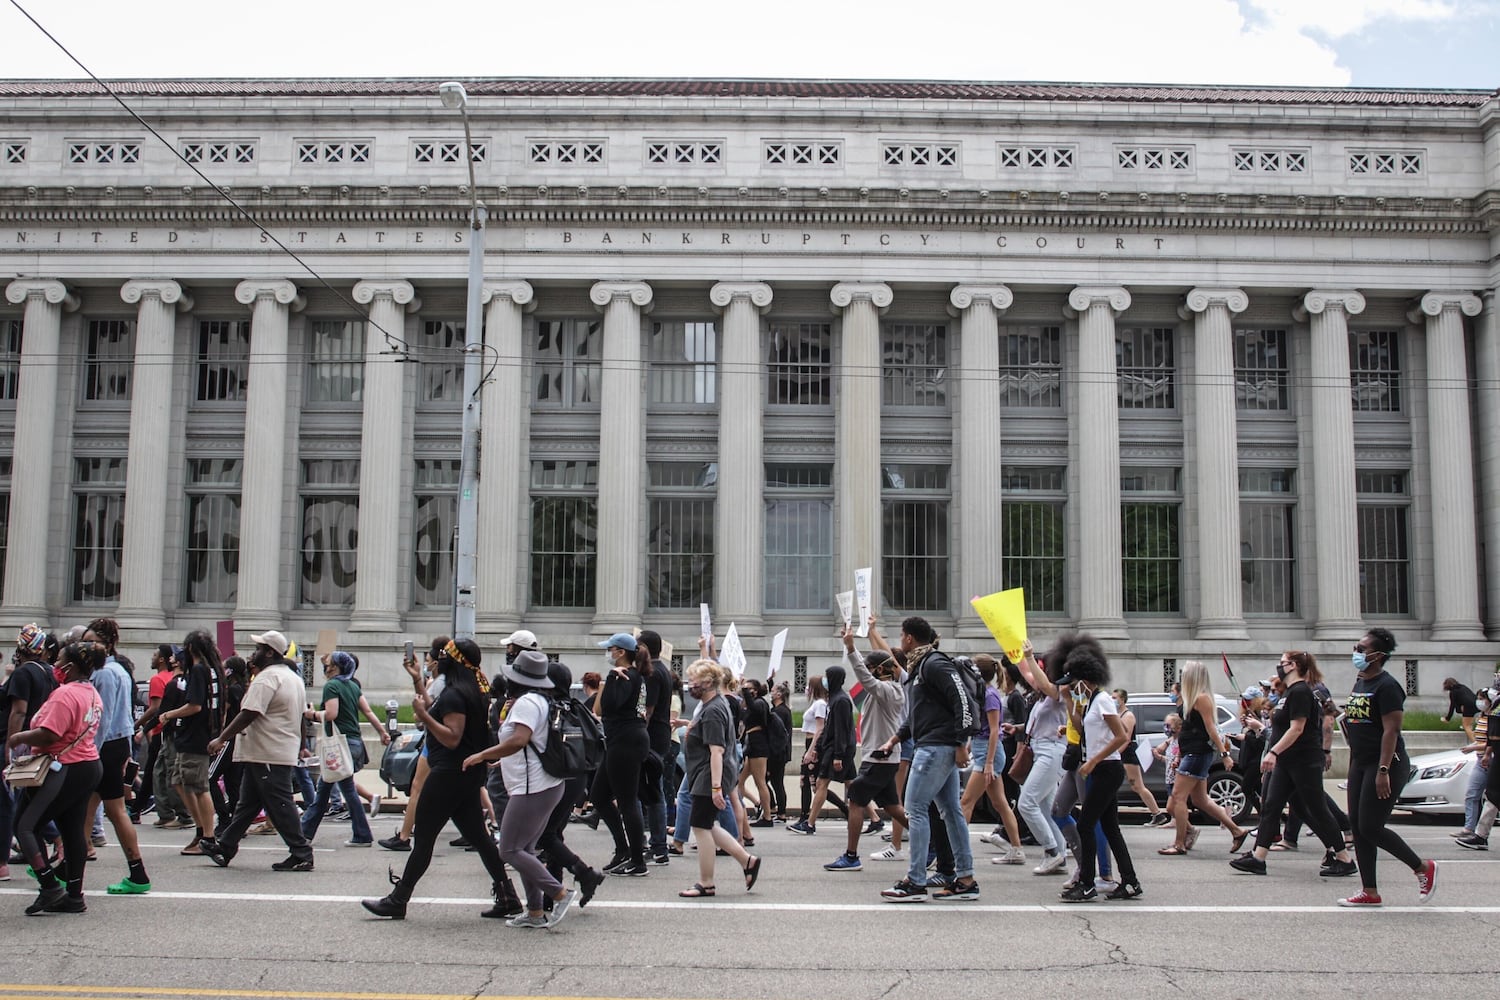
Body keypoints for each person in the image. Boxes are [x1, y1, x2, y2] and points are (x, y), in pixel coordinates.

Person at [360, 638, 521, 919]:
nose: (438, 660)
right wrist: (417, 683)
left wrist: (423, 715)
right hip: (465, 775)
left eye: (444, 656)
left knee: (423, 837)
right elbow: (437, 709)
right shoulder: (471, 689)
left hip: (448, 774)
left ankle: (399, 899)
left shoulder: (456, 693)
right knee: (480, 838)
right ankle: (508, 897)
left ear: (454, 661)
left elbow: (451, 737)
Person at [462, 650, 580, 929]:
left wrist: (483, 755)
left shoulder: (527, 703)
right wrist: (500, 761)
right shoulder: (540, 700)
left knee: (510, 849)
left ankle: (560, 893)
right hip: (544, 785)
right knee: (525, 848)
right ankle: (535, 912)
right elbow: (527, 745)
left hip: (532, 788)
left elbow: (519, 740)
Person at [878, 616, 978, 903]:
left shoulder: (934, 663)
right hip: (934, 744)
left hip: (937, 747)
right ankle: (965, 879)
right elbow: (920, 713)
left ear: (909, 638)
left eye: (901, 636)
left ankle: (916, 881)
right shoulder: (922, 667)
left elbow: (962, 700)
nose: (900, 640)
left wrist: (961, 741)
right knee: (951, 810)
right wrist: (895, 739)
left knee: (916, 808)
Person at [1232, 651, 1356, 879]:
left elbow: (1297, 728)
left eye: (1284, 663)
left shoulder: (1301, 692)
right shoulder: (1289, 693)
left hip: (1303, 761)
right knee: (1270, 806)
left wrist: (1273, 752)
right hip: (1286, 762)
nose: (1280, 666)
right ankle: (1258, 858)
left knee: (1317, 808)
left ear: (1295, 665)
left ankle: (1343, 857)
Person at [1337, 628, 1437, 907]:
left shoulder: (1388, 686)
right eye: (1356, 647)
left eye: (1361, 648)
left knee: (1370, 826)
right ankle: (1369, 891)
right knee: (1358, 827)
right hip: (1361, 761)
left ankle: (1422, 868)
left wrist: (1382, 771)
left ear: (1378, 655)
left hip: (1386, 764)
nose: (1356, 652)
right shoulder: (1361, 680)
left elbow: (1391, 731)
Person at [201, 631, 315, 872]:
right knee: (247, 805)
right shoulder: (293, 678)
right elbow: (301, 717)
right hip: (273, 751)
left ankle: (301, 852)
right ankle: (226, 846)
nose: (254, 653)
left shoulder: (267, 678)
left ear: (270, 652)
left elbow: (249, 712)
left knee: (281, 804)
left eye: (259, 648)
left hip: (267, 752)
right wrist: (302, 745)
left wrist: (222, 738)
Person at [7, 640, 104, 915]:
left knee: (24, 826)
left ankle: (49, 885)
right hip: (87, 765)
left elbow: (50, 734)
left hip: (63, 767)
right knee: (72, 829)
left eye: (59, 660)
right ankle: (74, 894)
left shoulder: (65, 694)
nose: (55, 665)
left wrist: (18, 737)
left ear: (70, 666)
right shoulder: (91, 692)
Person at [1057, 641, 1142, 902]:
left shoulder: (1103, 700)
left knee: (1085, 824)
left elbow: (1121, 736)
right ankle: (1129, 881)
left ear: (1086, 679)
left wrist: (1094, 760)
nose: (1072, 685)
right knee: (1111, 828)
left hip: (1107, 769)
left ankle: (1088, 883)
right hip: (1101, 768)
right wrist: (1069, 700)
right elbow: (1081, 729)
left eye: (1074, 682)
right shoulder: (1091, 700)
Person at [824, 623, 908, 872]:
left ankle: (851, 856)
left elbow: (865, 678)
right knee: (893, 807)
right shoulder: (881, 690)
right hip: (880, 756)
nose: (869, 673)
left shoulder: (889, 690)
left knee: (856, 800)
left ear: (881, 671)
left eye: (872, 669)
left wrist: (851, 649)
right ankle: (934, 841)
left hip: (880, 757)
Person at [676, 658, 761, 898]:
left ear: (707, 682)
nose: (690, 685)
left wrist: (715, 788)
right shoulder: (715, 703)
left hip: (708, 775)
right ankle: (747, 861)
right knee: (708, 825)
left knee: (700, 827)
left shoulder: (713, 709)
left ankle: (706, 882)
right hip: (707, 774)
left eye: (693, 680)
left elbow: (717, 750)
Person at [81, 619, 152, 894]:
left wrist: (91, 751)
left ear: (106, 643)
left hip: (106, 746)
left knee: (112, 809)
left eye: (91, 642)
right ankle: (71, 863)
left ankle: (137, 872)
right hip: (115, 744)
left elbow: (103, 716)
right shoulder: (117, 669)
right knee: (89, 807)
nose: (86, 647)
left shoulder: (106, 673)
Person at [1158, 660, 1251, 856]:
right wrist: (1179, 755)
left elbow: (1211, 729)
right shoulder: (1191, 699)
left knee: (1177, 798)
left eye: (1186, 674)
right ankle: (1236, 831)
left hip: (1198, 754)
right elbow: (1189, 730)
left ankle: (1179, 842)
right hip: (1191, 753)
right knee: (1200, 800)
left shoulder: (1201, 698)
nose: (1182, 677)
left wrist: (1225, 754)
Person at [300, 650, 388, 847]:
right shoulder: (352, 686)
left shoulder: (332, 686)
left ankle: (304, 834)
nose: (326, 666)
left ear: (335, 667)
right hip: (354, 742)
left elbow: (331, 714)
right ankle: (306, 833)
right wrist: (382, 732)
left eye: (329, 663)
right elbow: (368, 711)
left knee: (330, 791)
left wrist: (311, 714)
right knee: (333, 790)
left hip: (340, 745)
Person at [379, 637, 450, 852]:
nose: (426, 663)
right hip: (438, 742)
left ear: (436, 661)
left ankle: (404, 836)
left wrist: (420, 687)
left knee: (418, 788)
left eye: (428, 659)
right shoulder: (443, 682)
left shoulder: (439, 684)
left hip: (435, 742)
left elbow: (425, 714)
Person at [591, 632, 653, 877]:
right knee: (598, 796)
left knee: (627, 801)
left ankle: (638, 860)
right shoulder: (629, 675)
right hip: (622, 740)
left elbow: (609, 706)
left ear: (621, 652)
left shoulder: (626, 676)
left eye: (611, 649)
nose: (609, 653)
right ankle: (623, 849)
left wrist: (610, 680)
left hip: (626, 740)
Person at [2, 624, 59, 883]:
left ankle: (49, 847)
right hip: (42, 739)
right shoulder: (50, 672)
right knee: (28, 800)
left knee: (13, 804)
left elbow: (18, 711)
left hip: (24, 740)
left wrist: (10, 745)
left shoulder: (23, 673)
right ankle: (53, 841)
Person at [1012, 636, 1073, 876]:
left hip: (1051, 750)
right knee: (1046, 808)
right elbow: (1030, 676)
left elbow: (1043, 683)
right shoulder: (1043, 694)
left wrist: (1027, 657)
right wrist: (1019, 656)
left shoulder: (1060, 689)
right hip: (1042, 750)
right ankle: (1059, 853)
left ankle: (1052, 852)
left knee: (1027, 803)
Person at [161, 630, 226, 853]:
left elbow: (195, 705)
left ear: (190, 649)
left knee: (199, 787)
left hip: (195, 736)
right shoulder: (213, 669)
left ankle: (207, 835)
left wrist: (169, 714)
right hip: (197, 735)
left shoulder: (199, 670)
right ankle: (201, 830)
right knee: (179, 780)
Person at [962, 655, 1024, 863]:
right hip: (984, 750)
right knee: (1000, 803)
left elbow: (995, 730)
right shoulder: (983, 694)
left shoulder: (989, 695)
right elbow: (984, 729)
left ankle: (958, 852)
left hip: (990, 752)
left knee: (966, 802)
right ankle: (1016, 849)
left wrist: (988, 762)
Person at [799, 665, 855, 836]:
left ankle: (810, 823)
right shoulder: (835, 699)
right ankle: (873, 819)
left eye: (827, 676)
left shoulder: (840, 701)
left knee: (822, 783)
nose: (824, 679)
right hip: (835, 748)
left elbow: (840, 729)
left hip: (837, 750)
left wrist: (837, 755)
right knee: (851, 785)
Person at [1114, 688, 1168, 826]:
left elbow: (1126, 738)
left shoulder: (1128, 716)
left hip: (1127, 753)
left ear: (1123, 699)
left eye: (1116, 698)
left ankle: (1158, 814)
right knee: (1121, 785)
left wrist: (1116, 753)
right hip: (1120, 752)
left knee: (1137, 785)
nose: (1113, 700)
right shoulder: (1117, 715)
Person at [766, 681, 793, 822]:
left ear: (779, 694)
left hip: (777, 753)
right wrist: (770, 681)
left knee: (774, 782)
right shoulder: (781, 710)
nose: (771, 693)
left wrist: (771, 755)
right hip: (780, 752)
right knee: (774, 782)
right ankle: (776, 809)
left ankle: (779, 811)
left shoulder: (780, 712)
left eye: (773, 690)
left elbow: (776, 735)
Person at [1442, 677, 1479, 742]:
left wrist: (1447, 718)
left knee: (1466, 726)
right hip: (1476, 704)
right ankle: (1475, 735)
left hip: (1468, 706)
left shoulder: (1453, 692)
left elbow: (1452, 706)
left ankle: (1475, 743)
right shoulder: (1463, 687)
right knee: (1468, 724)